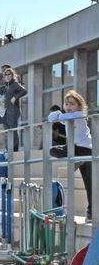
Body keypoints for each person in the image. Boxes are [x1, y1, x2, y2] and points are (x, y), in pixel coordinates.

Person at [48, 90, 92, 222]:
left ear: (79, 105)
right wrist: (56, 113)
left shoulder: (79, 115)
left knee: (90, 184)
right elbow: (51, 118)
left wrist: (59, 115)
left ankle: (92, 213)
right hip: (73, 150)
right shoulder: (67, 118)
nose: (68, 106)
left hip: (85, 149)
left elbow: (61, 118)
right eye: (66, 104)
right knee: (52, 150)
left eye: (72, 104)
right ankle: (77, 161)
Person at [0, 67, 26, 151]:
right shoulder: (3, 87)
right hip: (4, 111)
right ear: (3, 77)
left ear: (12, 75)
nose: (7, 76)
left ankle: (14, 149)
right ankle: (8, 148)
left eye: (9, 74)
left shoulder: (14, 84)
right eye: (6, 74)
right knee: (7, 131)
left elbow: (24, 91)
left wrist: (15, 97)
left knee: (12, 130)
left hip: (13, 110)